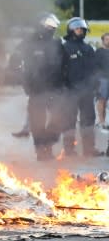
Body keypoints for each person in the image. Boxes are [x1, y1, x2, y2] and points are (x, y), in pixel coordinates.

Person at [16, 13, 66, 161]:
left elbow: (64, 65)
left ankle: (48, 147)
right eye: (49, 27)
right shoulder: (30, 43)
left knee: (57, 119)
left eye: (53, 27)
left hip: (55, 88)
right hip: (36, 89)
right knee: (37, 121)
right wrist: (26, 85)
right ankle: (40, 151)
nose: (52, 30)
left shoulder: (57, 43)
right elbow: (21, 66)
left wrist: (63, 84)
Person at [60, 17, 100, 157]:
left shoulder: (88, 48)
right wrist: (63, 87)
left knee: (88, 120)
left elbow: (95, 69)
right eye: (78, 29)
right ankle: (69, 150)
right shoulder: (64, 48)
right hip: (70, 91)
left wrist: (95, 85)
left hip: (87, 92)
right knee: (69, 120)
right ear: (71, 30)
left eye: (82, 29)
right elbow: (59, 69)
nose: (80, 31)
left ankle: (89, 149)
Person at [93, 32, 109, 131]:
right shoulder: (99, 52)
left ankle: (105, 121)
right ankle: (101, 121)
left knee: (106, 101)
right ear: (103, 40)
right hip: (103, 79)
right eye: (107, 39)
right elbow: (95, 67)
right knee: (101, 100)